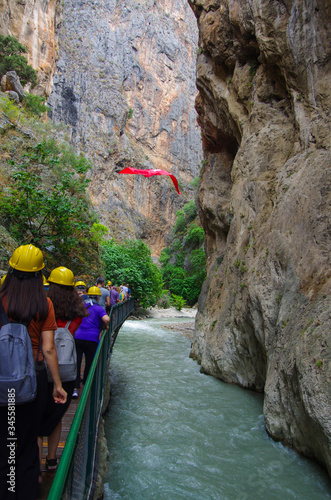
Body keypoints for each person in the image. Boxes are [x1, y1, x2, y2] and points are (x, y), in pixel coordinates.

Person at [0, 244, 66, 500]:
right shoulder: (44, 303)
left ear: (11, 269)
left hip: (2, 379)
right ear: (40, 274)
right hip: (31, 381)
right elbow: (49, 350)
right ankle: (23, 492)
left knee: (5, 441)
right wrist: (58, 385)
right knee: (26, 444)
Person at [38, 266, 87, 472]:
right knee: (56, 417)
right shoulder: (77, 313)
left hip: (43, 368)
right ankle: (52, 459)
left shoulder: (43, 307)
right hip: (67, 370)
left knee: (38, 418)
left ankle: (36, 464)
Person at [73, 286, 110, 398]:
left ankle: (75, 388)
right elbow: (106, 319)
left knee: (77, 362)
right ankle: (86, 386)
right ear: (98, 298)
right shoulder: (99, 308)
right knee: (89, 363)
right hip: (92, 339)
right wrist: (105, 326)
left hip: (78, 337)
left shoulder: (81, 305)